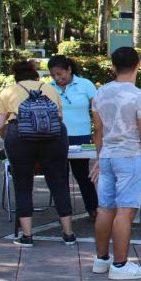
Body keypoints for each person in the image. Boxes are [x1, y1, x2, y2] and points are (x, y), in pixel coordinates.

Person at [90, 48, 141, 279]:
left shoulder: (100, 93)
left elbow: (98, 130)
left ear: (113, 66)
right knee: (125, 211)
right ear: (138, 64)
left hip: (108, 156)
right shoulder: (139, 96)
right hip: (131, 156)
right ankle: (120, 265)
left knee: (105, 209)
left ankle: (101, 259)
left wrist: (100, 158)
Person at [0, 60, 75, 247]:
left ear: (17, 78)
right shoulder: (50, 89)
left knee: (23, 185)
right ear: (36, 77)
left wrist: (8, 137)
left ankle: (27, 236)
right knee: (59, 182)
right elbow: (59, 117)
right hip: (53, 137)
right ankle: (69, 234)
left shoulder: (8, 91)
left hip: (19, 137)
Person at [48, 55, 100, 220]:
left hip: (81, 136)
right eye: (53, 75)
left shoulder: (85, 85)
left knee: (82, 174)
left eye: (60, 74)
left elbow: (97, 110)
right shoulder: (49, 88)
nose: (57, 78)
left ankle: (93, 208)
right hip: (57, 137)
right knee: (60, 176)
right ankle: (64, 213)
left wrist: (97, 132)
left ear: (69, 69)